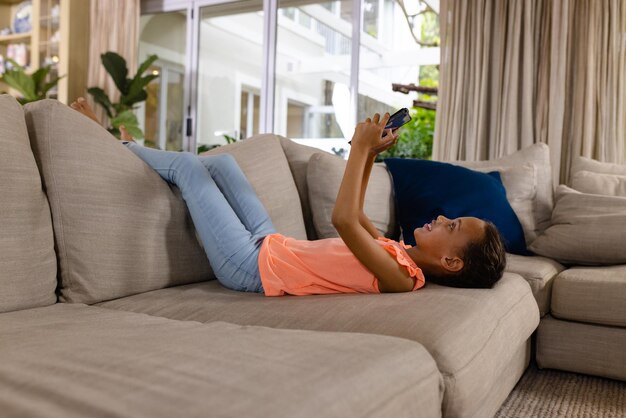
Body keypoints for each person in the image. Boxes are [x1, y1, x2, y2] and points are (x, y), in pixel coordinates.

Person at [70, 98, 506, 296]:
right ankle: (137, 150)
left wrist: (356, 148)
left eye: (452, 227)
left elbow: (343, 221)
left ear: (452, 261)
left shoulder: (401, 278)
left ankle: (112, 143)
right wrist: (370, 153)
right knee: (222, 164)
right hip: (271, 244)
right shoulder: (400, 252)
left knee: (188, 169)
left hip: (250, 268)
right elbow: (354, 212)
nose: (444, 217)